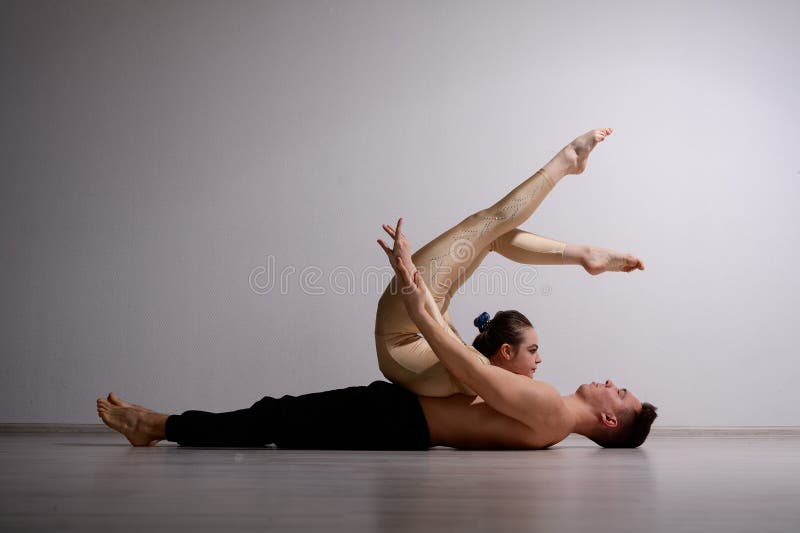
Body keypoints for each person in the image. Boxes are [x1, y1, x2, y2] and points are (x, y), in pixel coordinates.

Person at [96, 209, 657, 450]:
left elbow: (471, 370)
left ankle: (157, 425)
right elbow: (474, 370)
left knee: (273, 417)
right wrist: (416, 282)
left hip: (400, 421)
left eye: (622, 392)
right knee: (276, 415)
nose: (613, 381)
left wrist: (418, 309)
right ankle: (161, 423)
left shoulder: (555, 413)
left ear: (610, 419)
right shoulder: (548, 412)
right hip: (400, 415)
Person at [374, 128, 645, 397]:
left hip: (403, 323)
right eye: (534, 351)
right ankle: (585, 255)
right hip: (416, 318)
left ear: (506, 351)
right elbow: (445, 331)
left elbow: (435, 326)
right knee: (494, 236)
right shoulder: (482, 371)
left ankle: (568, 159)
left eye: (533, 350)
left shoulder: (479, 372)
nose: (538, 360)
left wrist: (409, 272)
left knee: (487, 223)